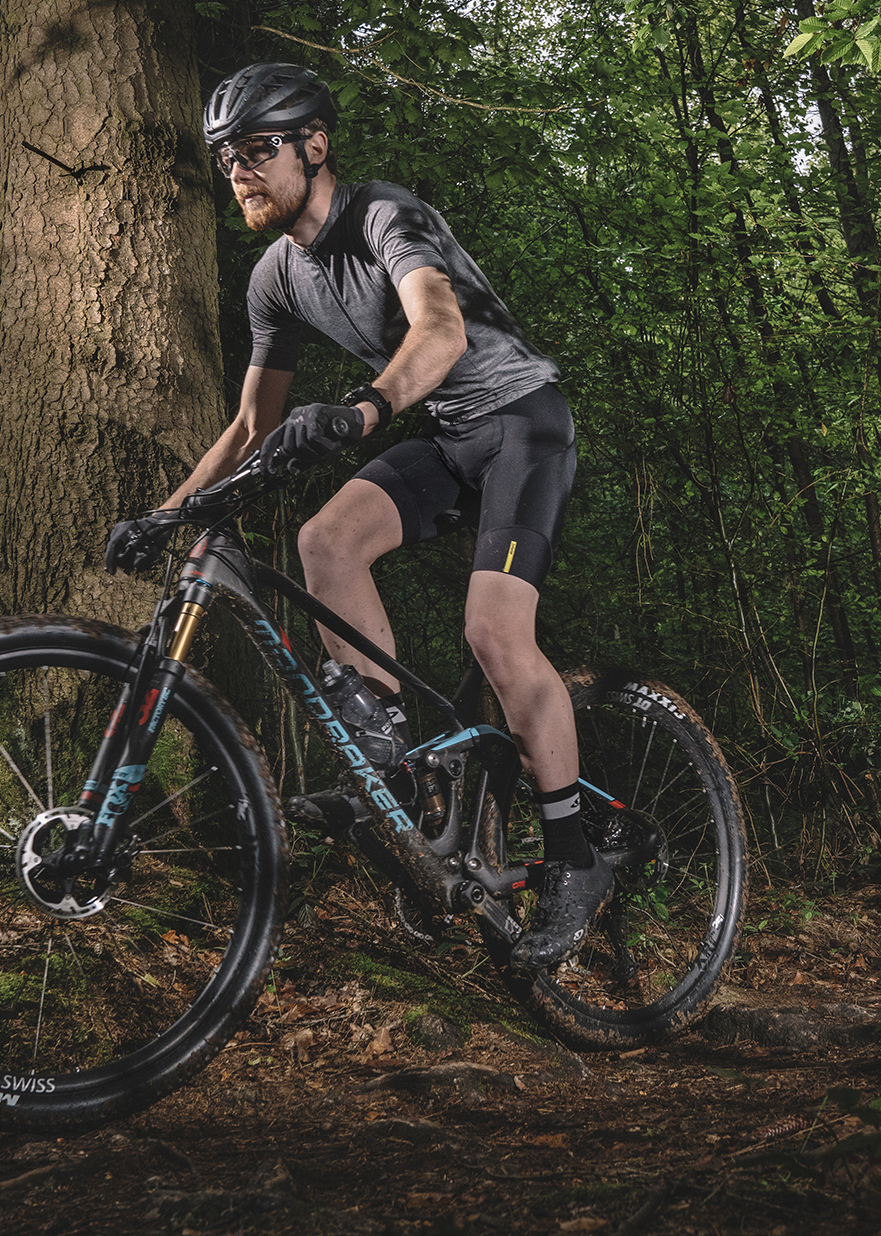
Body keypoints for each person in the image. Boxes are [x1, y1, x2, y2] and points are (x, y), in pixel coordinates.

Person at [105, 62, 605, 967]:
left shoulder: (383, 214)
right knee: (325, 540)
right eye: (226, 157)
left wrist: (365, 409)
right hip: (447, 435)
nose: (239, 171)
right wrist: (165, 514)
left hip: (521, 424)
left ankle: (574, 859)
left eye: (258, 149)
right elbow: (251, 426)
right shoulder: (273, 276)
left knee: (495, 635)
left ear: (314, 145)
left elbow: (441, 330)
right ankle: (400, 780)